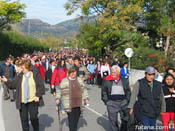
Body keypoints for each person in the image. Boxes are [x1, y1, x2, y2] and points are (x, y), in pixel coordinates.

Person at [0, 59, 45, 131]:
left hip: (33, 100)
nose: (21, 69)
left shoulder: (35, 74)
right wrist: (6, 81)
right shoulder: (20, 75)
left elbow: (41, 86)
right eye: (21, 67)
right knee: (24, 120)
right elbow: (13, 85)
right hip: (22, 101)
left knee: (33, 118)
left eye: (23, 68)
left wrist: (38, 95)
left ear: (28, 68)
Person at [128, 66, 165, 131]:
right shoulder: (139, 83)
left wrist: (163, 110)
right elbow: (133, 95)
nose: (151, 76)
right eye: (149, 74)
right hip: (143, 111)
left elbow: (162, 98)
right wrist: (131, 107)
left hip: (154, 111)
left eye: (153, 74)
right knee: (146, 128)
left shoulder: (158, 84)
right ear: (145, 74)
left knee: (152, 128)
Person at [101, 65, 131, 131]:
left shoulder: (124, 80)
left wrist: (127, 100)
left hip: (123, 102)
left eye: (114, 72)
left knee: (125, 119)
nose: (112, 74)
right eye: (112, 72)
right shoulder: (107, 80)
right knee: (113, 121)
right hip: (112, 103)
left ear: (118, 72)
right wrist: (107, 101)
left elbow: (128, 91)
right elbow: (103, 92)